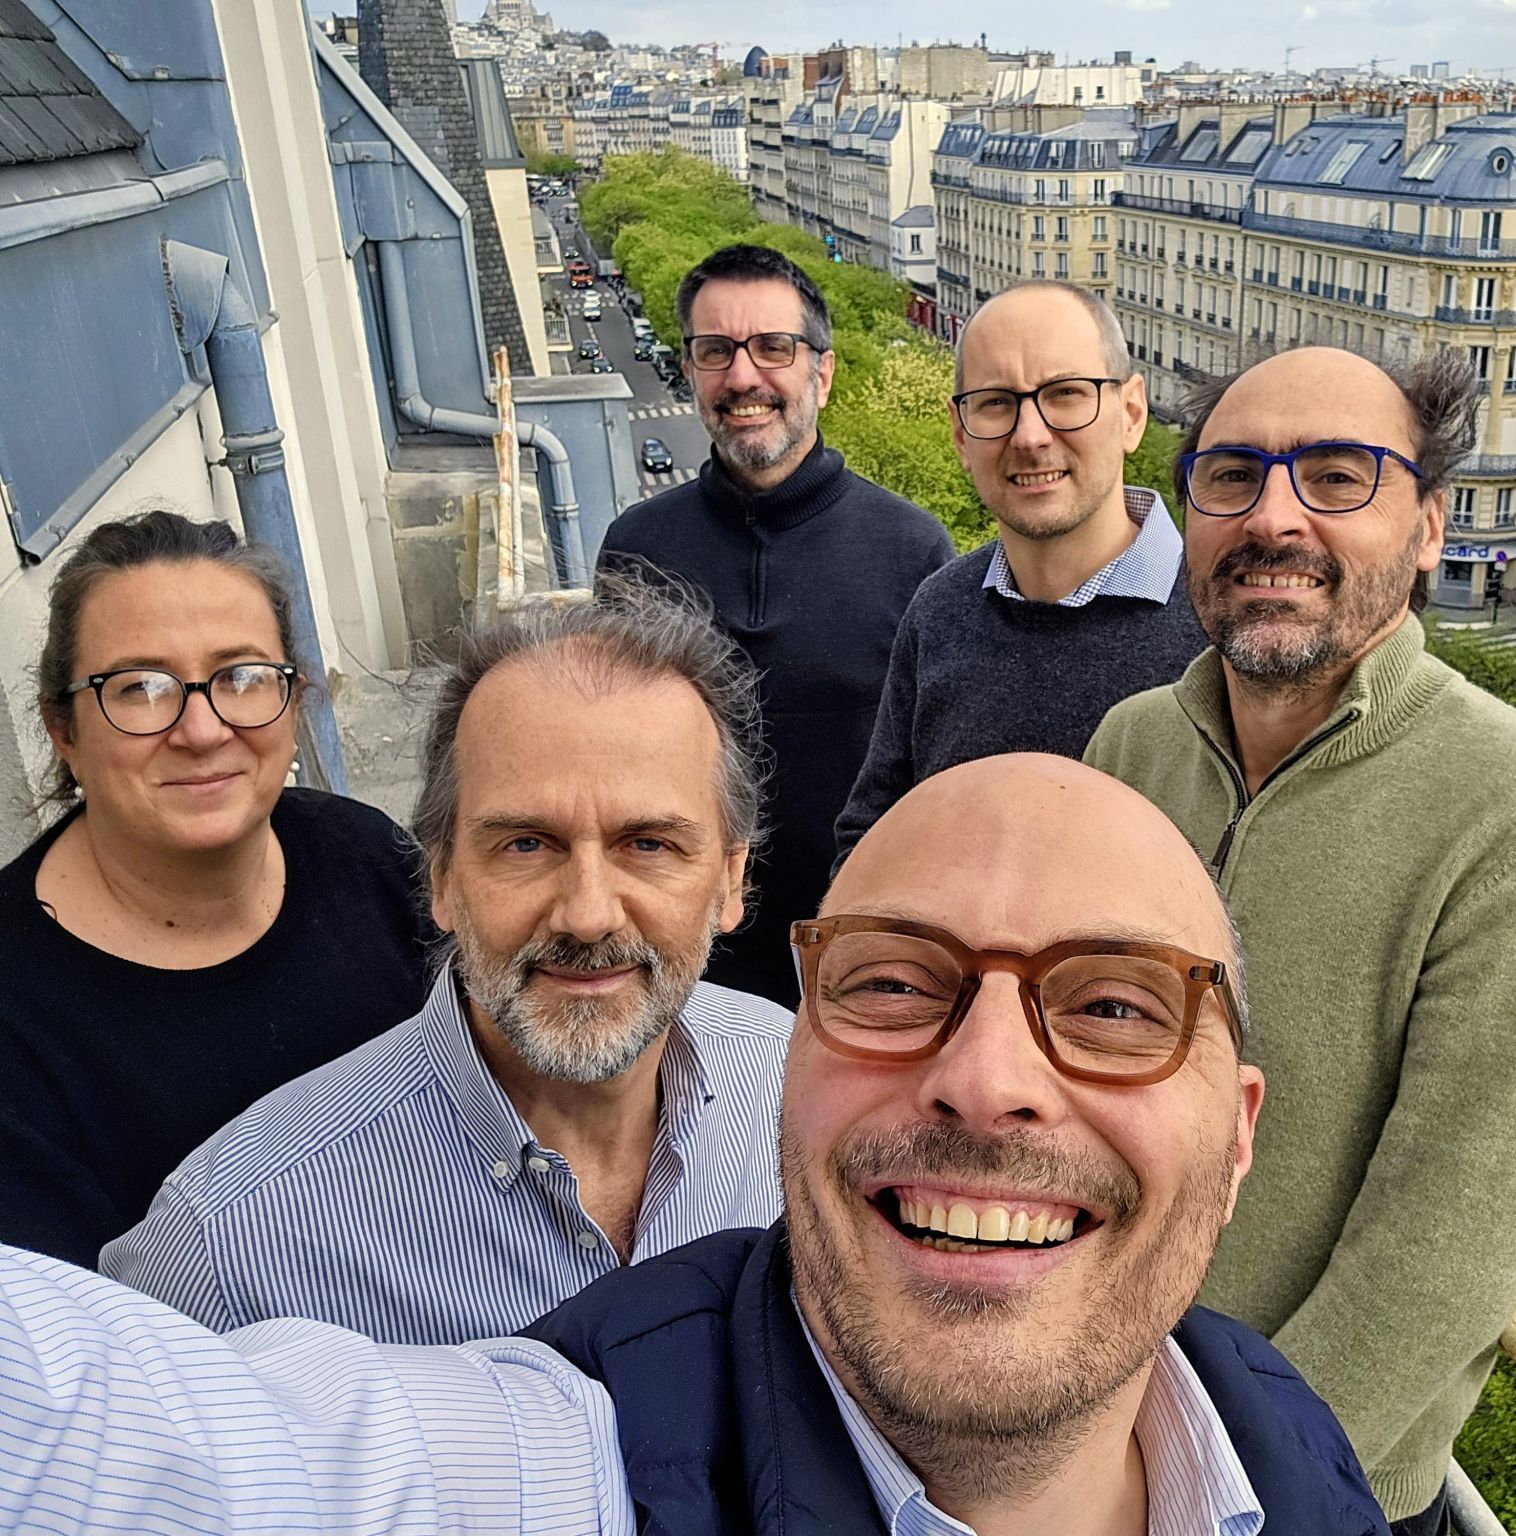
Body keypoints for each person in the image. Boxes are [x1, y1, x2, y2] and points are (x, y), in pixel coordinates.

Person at [0, 754, 1389, 1536]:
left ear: (1236, 1136)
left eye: (1114, 1007)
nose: (984, 1081)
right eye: (891, 984)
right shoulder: (576, 1454)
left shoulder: (1278, 1441)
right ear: (793, 1063)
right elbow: (141, 1438)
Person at [1085, 347, 1516, 1536]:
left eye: (1338, 476)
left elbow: (1430, 1277)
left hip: (1291, 1499)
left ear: (1429, 526)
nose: (1272, 516)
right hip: (1066, 1433)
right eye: (1230, 475)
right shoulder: (1130, 748)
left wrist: (1201, 1498)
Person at [102, 591, 789, 1343]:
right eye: (526, 844)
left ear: (731, 881)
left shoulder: (791, 1080)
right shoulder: (227, 1245)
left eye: (649, 844)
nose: (588, 914)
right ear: (441, 879)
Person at [0, 510, 434, 1269]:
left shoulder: (367, 858)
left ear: (292, 700)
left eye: (241, 677)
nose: (201, 731)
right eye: (140, 688)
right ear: (64, 730)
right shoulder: (16, 1015)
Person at [598, 243, 955, 1008]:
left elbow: (935, 781)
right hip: (680, 969)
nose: (742, 376)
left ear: (821, 375)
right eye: (715, 350)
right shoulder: (637, 552)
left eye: (773, 347)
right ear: (690, 370)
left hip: (860, 963)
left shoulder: (913, 551)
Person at [833, 283, 1206, 861]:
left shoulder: (1219, 620)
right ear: (961, 435)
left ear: (1131, 415)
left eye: (1066, 394)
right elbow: (872, 840)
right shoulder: (940, 610)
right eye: (996, 403)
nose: (1030, 436)